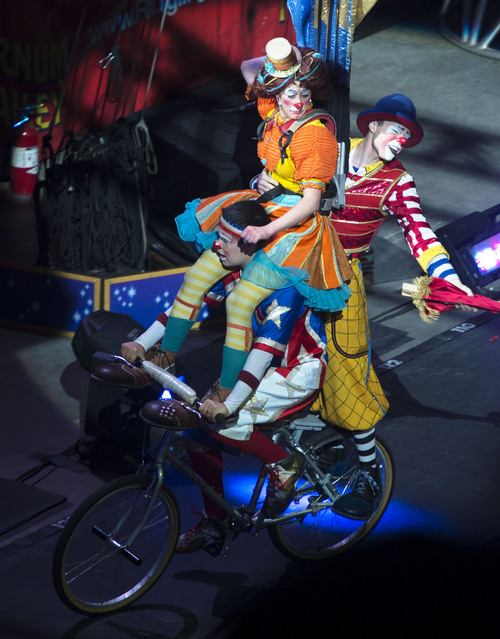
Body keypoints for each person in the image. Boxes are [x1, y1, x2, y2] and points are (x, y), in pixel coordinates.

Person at [255, 93, 474, 519]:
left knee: (347, 367)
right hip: (297, 261)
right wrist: (263, 183)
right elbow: (281, 182)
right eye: (397, 130)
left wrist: (448, 276)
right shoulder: (325, 150)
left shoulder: (397, 181)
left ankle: (369, 471)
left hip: (342, 276)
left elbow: (419, 231)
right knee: (271, 343)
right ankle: (294, 450)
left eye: (407, 136)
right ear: (372, 126)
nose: (401, 141)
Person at [147, 36, 352, 405]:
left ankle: (225, 389)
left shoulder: (315, 138)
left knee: (239, 302)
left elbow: (309, 203)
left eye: (305, 95)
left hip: (292, 227)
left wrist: (266, 230)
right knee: (196, 276)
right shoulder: (272, 112)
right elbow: (247, 67)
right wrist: (287, 58)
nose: (297, 102)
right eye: (290, 93)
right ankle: (166, 352)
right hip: (263, 205)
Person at [138, 199, 329, 553]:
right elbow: (186, 305)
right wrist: (141, 343)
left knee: (222, 422)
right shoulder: (231, 270)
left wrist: (230, 403)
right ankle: (216, 521)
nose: (215, 244)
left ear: (251, 242)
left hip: (293, 370)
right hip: (254, 367)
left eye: (225, 239)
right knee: (195, 431)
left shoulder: (284, 286)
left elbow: (264, 352)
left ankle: (283, 463)